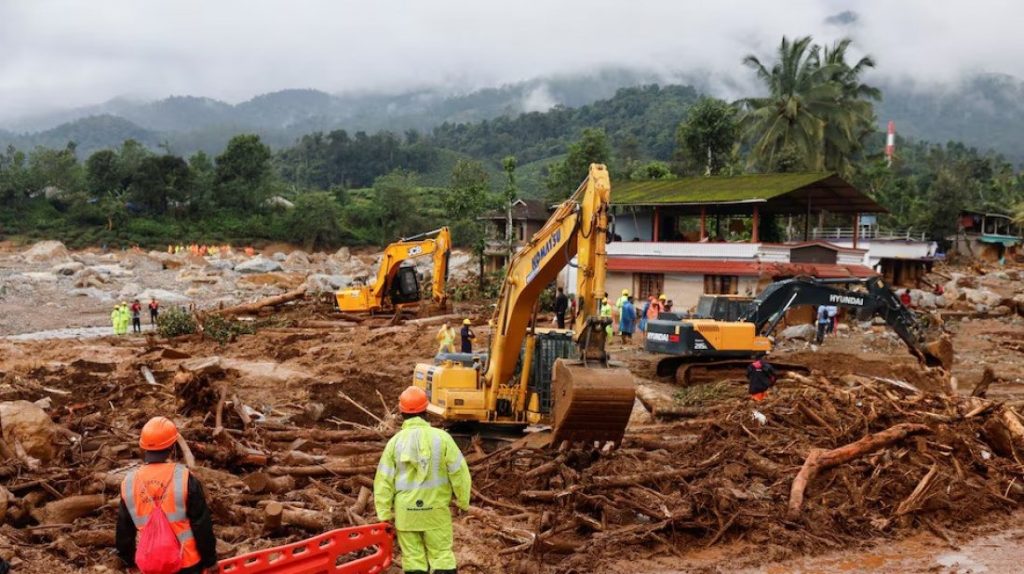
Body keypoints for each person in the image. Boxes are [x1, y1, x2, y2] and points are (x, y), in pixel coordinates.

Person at [375, 387, 471, 574]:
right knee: (442, 556)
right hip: (436, 512)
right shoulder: (442, 439)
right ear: (426, 410)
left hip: (406, 514)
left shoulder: (394, 442)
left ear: (402, 413)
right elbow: (460, 473)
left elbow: (383, 481)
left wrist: (383, 514)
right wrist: (463, 502)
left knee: (413, 560)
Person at [116, 417, 217, 574]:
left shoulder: (129, 483)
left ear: (144, 447)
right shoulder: (184, 477)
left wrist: (129, 562)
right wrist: (210, 561)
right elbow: (201, 524)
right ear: (172, 446)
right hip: (186, 562)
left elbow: (124, 531)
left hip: (151, 563)